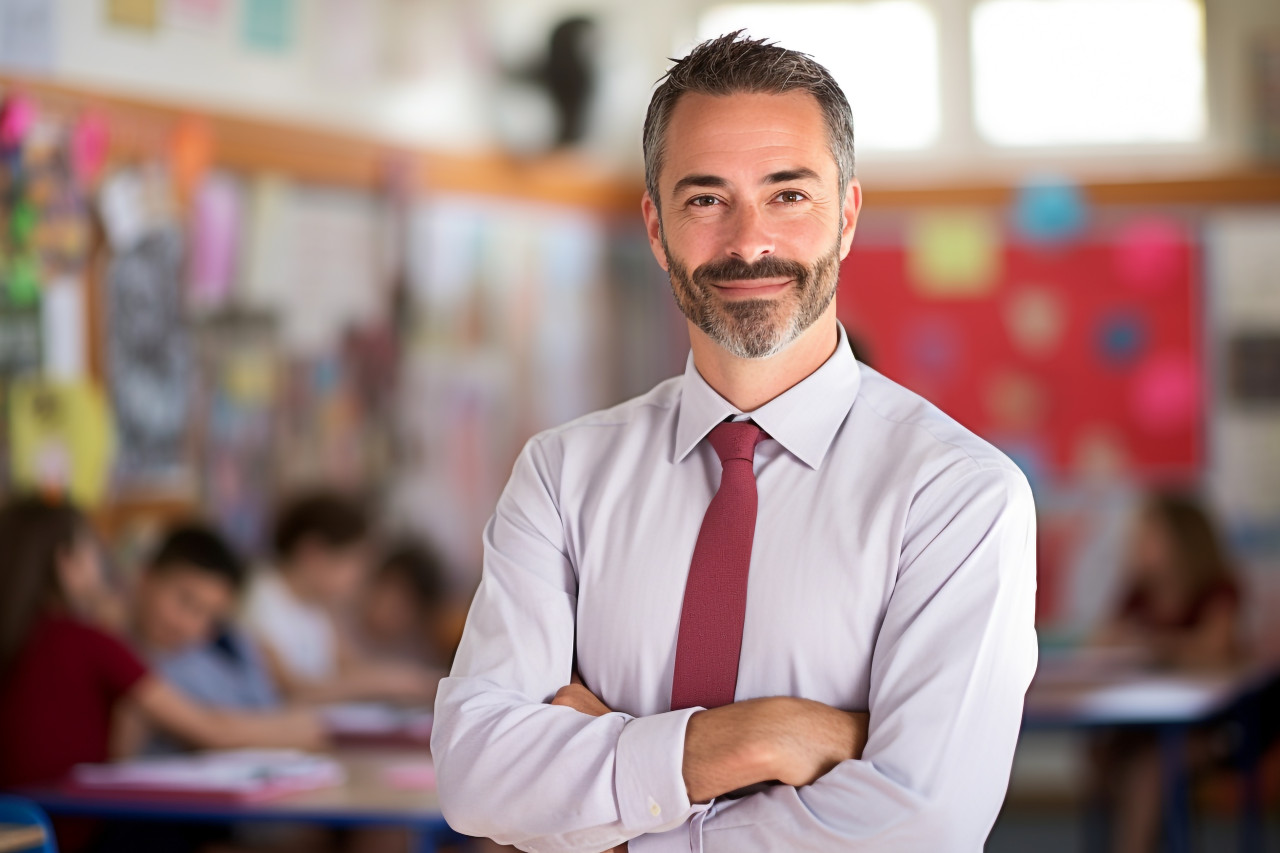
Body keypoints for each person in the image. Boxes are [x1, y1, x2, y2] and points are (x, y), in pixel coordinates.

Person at [431, 32, 1038, 852]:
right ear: (655, 226)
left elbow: (920, 823)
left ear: (848, 214)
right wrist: (753, 739)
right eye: (706, 199)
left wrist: (612, 791)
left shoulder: (959, 495)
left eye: (788, 196)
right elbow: (477, 775)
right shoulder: (562, 474)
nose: (749, 241)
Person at [0, 496, 325, 850]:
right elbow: (211, 730)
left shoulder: (21, 636)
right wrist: (310, 729)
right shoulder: (87, 640)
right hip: (71, 830)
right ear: (67, 563)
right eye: (93, 552)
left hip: (24, 829)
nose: (103, 565)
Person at [1089, 493, 1243, 853]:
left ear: (1180, 542)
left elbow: (1212, 649)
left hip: (1208, 729)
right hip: (1144, 722)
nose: (1135, 544)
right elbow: (1103, 643)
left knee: (1149, 770)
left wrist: (1148, 643)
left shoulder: (1216, 591)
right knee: (1105, 758)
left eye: (1147, 536)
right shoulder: (1138, 594)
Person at [244, 491, 435, 705]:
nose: (359, 577)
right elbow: (290, 691)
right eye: (352, 563)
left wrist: (408, 680)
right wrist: (388, 683)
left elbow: (349, 666)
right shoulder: (259, 599)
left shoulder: (316, 603)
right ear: (312, 553)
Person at [127, 523, 280, 754]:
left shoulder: (218, 651)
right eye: (185, 600)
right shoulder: (117, 655)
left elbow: (270, 712)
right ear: (146, 577)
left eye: (210, 615)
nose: (187, 624)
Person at [359, 538, 461, 671]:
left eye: (400, 607)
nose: (386, 608)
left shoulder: (420, 659)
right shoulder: (339, 628)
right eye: (386, 591)